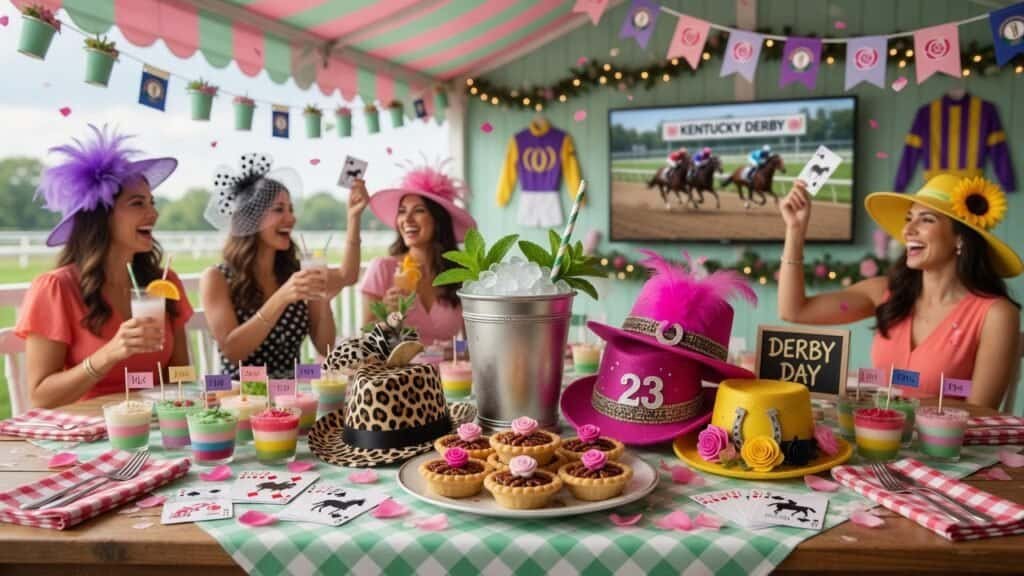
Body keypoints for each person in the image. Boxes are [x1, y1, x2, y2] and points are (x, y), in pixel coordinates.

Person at [777, 174, 1021, 409]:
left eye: (926, 219)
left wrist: (889, 406)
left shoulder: (996, 314)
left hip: (946, 448)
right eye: (909, 218)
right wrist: (795, 230)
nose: (908, 230)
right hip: (877, 439)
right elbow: (795, 311)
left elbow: (982, 409)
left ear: (961, 239)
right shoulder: (883, 291)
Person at [15, 125, 192, 408]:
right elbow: (40, 397)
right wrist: (108, 354)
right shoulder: (57, 288)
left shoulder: (164, 282)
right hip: (86, 431)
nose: (154, 213)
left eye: (152, 202)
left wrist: (188, 395)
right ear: (100, 217)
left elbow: (181, 375)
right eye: (138, 203)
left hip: (155, 427)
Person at [199, 153, 368, 379]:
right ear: (251, 218)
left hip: (296, 397)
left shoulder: (298, 272)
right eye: (279, 209)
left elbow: (325, 346)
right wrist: (282, 297)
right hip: (241, 398)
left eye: (291, 209)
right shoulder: (217, 277)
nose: (291, 218)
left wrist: (354, 217)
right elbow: (232, 351)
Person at [362, 162, 477, 346]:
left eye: (419, 211)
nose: (406, 220)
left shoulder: (460, 274)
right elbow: (365, 341)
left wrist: (457, 351)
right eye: (402, 212)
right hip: (398, 373)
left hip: (448, 374)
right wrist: (389, 316)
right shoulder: (383, 268)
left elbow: (471, 341)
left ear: (438, 220)